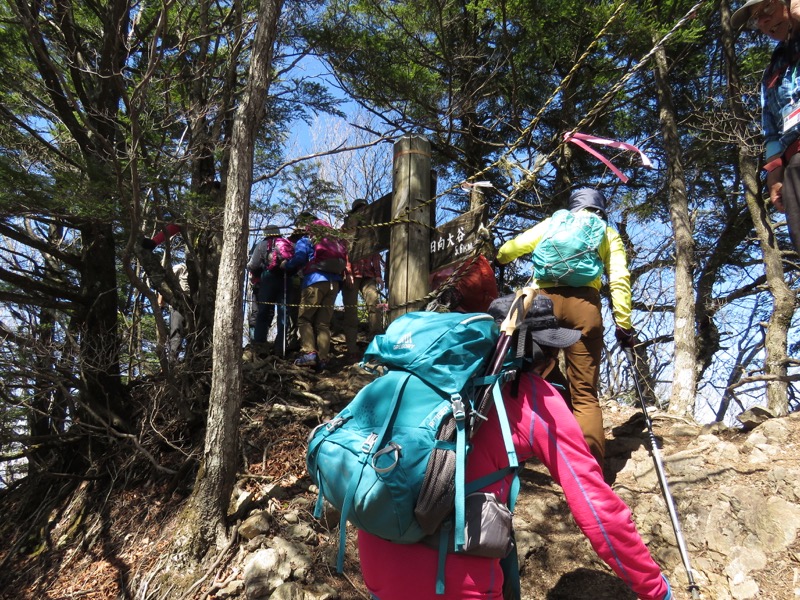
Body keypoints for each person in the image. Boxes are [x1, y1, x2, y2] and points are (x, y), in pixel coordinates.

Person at [358, 295, 672, 600]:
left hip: (379, 562)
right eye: (553, 355)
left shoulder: (415, 380)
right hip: (455, 585)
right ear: (540, 357)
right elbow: (597, 509)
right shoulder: (533, 396)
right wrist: (656, 590)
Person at [495, 188, 636, 465]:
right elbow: (619, 279)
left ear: (573, 207)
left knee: (536, 374)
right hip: (584, 306)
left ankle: (533, 448)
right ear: (600, 210)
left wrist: (499, 258)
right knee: (584, 393)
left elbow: (511, 249)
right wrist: (624, 324)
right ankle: (589, 471)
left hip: (541, 304)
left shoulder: (553, 223)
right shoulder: (607, 233)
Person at [732, 0, 800, 252]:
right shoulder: (773, 69)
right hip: (794, 159)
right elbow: (771, 128)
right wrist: (774, 171)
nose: (763, 22)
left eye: (767, 10)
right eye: (756, 19)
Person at [283, 213, 348, 372]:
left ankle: (309, 354)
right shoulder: (334, 240)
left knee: (304, 318)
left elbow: (299, 259)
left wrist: (285, 265)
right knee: (323, 323)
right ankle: (323, 359)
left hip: (314, 281)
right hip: (334, 283)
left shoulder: (307, 240)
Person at [342, 199, 384, 360]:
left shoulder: (371, 228)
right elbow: (344, 250)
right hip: (352, 272)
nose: (363, 211)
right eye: (360, 209)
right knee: (351, 311)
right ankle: (352, 349)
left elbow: (375, 252)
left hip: (369, 274)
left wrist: (378, 274)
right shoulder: (347, 227)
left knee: (374, 305)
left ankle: (376, 343)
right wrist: (347, 272)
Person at [246, 225, 295, 356]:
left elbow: (253, 265)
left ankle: (260, 344)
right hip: (286, 279)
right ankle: (281, 346)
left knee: (264, 311)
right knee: (283, 313)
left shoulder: (262, 245)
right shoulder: (288, 244)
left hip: (267, 279)